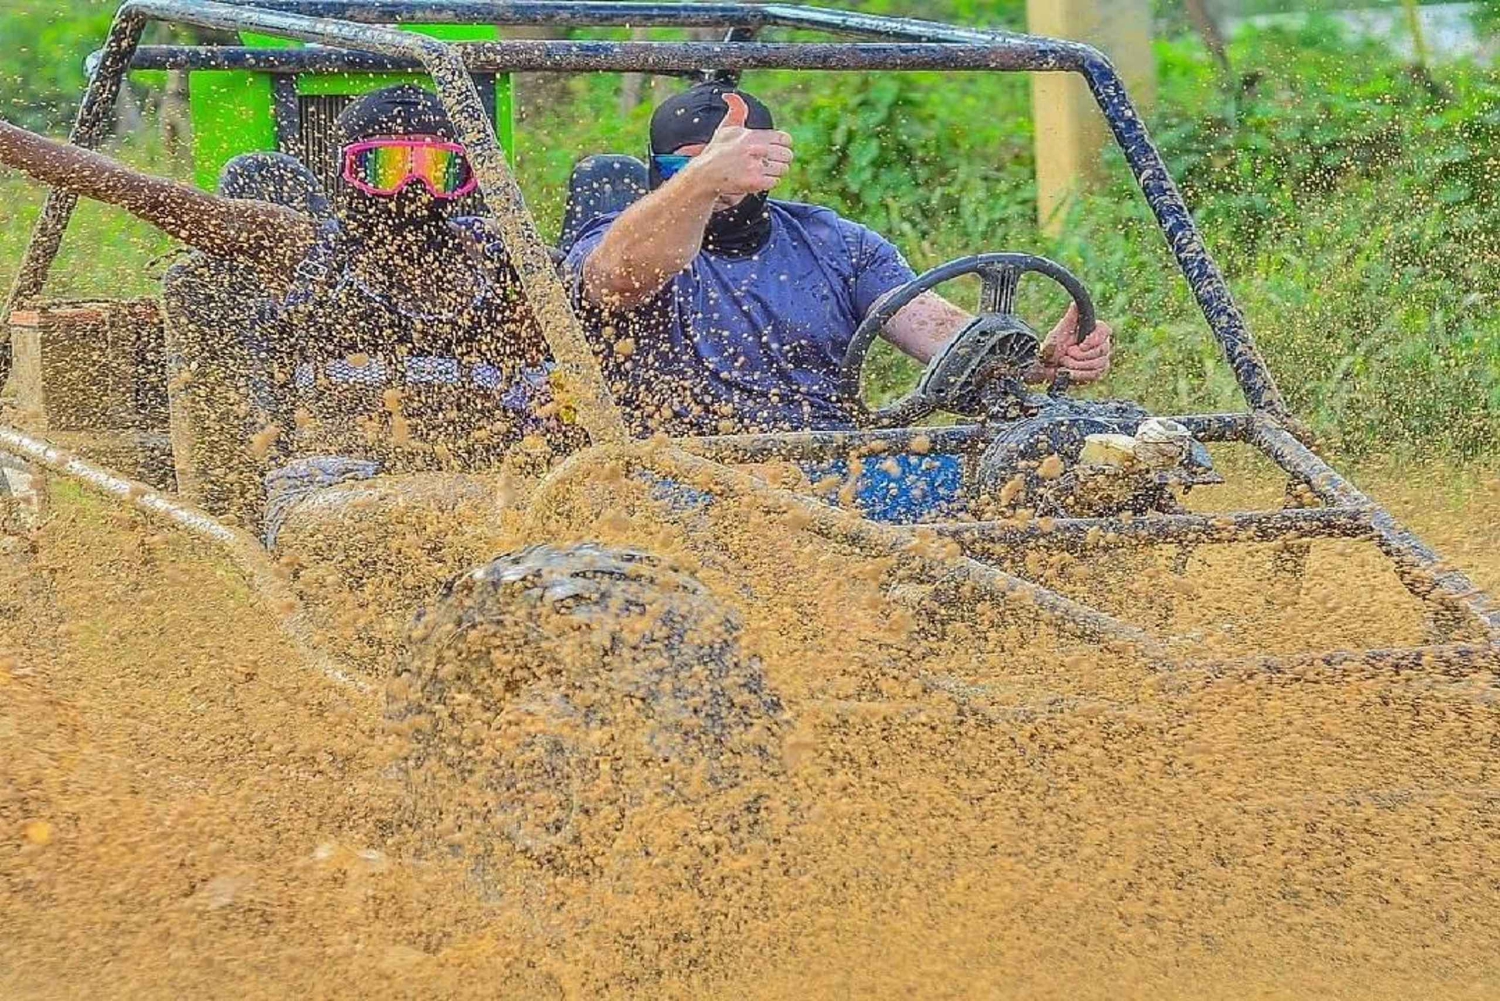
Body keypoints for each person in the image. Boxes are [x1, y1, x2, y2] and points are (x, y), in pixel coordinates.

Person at [0, 84, 565, 535]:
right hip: (329, 492)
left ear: (465, 178)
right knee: (463, 517)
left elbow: (596, 290)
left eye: (436, 170)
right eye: (385, 168)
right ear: (348, 173)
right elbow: (141, 192)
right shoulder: (303, 248)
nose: (410, 188)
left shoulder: (498, 256)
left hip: (484, 488)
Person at [564, 83, 1114, 438]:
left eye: (740, 162)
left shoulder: (835, 244)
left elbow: (943, 334)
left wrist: (1036, 363)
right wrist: (704, 178)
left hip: (835, 470)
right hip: (680, 476)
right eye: (687, 165)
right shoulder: (616, 239)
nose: (725, 182)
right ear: (656, 170)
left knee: (1040, 476)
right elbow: (619, 279)